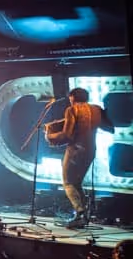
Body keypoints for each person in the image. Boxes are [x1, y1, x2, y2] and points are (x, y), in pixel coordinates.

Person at [46, 87, 115, 228]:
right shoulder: (96, 109)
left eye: (70, 99)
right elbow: (109, 128)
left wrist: (50, 135)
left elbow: (67, 135)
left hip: (75, 151)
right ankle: (84, 217)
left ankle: (80, 213)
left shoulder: (72, 110)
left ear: (72, 97)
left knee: (68, 183)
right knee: (77, 184)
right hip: (90, 151)